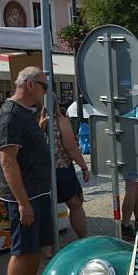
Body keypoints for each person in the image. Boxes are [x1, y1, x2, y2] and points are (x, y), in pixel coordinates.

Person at [0, 66, 52, 275]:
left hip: (37, 193)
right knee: (22, 251)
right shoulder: (10, 115)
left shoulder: (25, 113)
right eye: (44, 86)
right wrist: (22, 202)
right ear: (30, 85)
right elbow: (8, 162)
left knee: (34, 249)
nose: (45, 91)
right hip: (25, 198)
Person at [51, 101, 90, 240]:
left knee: (46, 208)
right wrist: (84, 167)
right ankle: (83, 238)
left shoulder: (35, 119)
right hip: (61, 169)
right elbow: (71, 147)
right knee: (75, 205)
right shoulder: (60, 121)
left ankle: (48, 248)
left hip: (41, 170)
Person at [120, 99, 138, 240]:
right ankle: (125, 225)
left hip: (122, 147)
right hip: (135, 149)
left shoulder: (118, 103)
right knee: (132, 188)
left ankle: (137, 219)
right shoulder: (136, 101)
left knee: (135, 186)